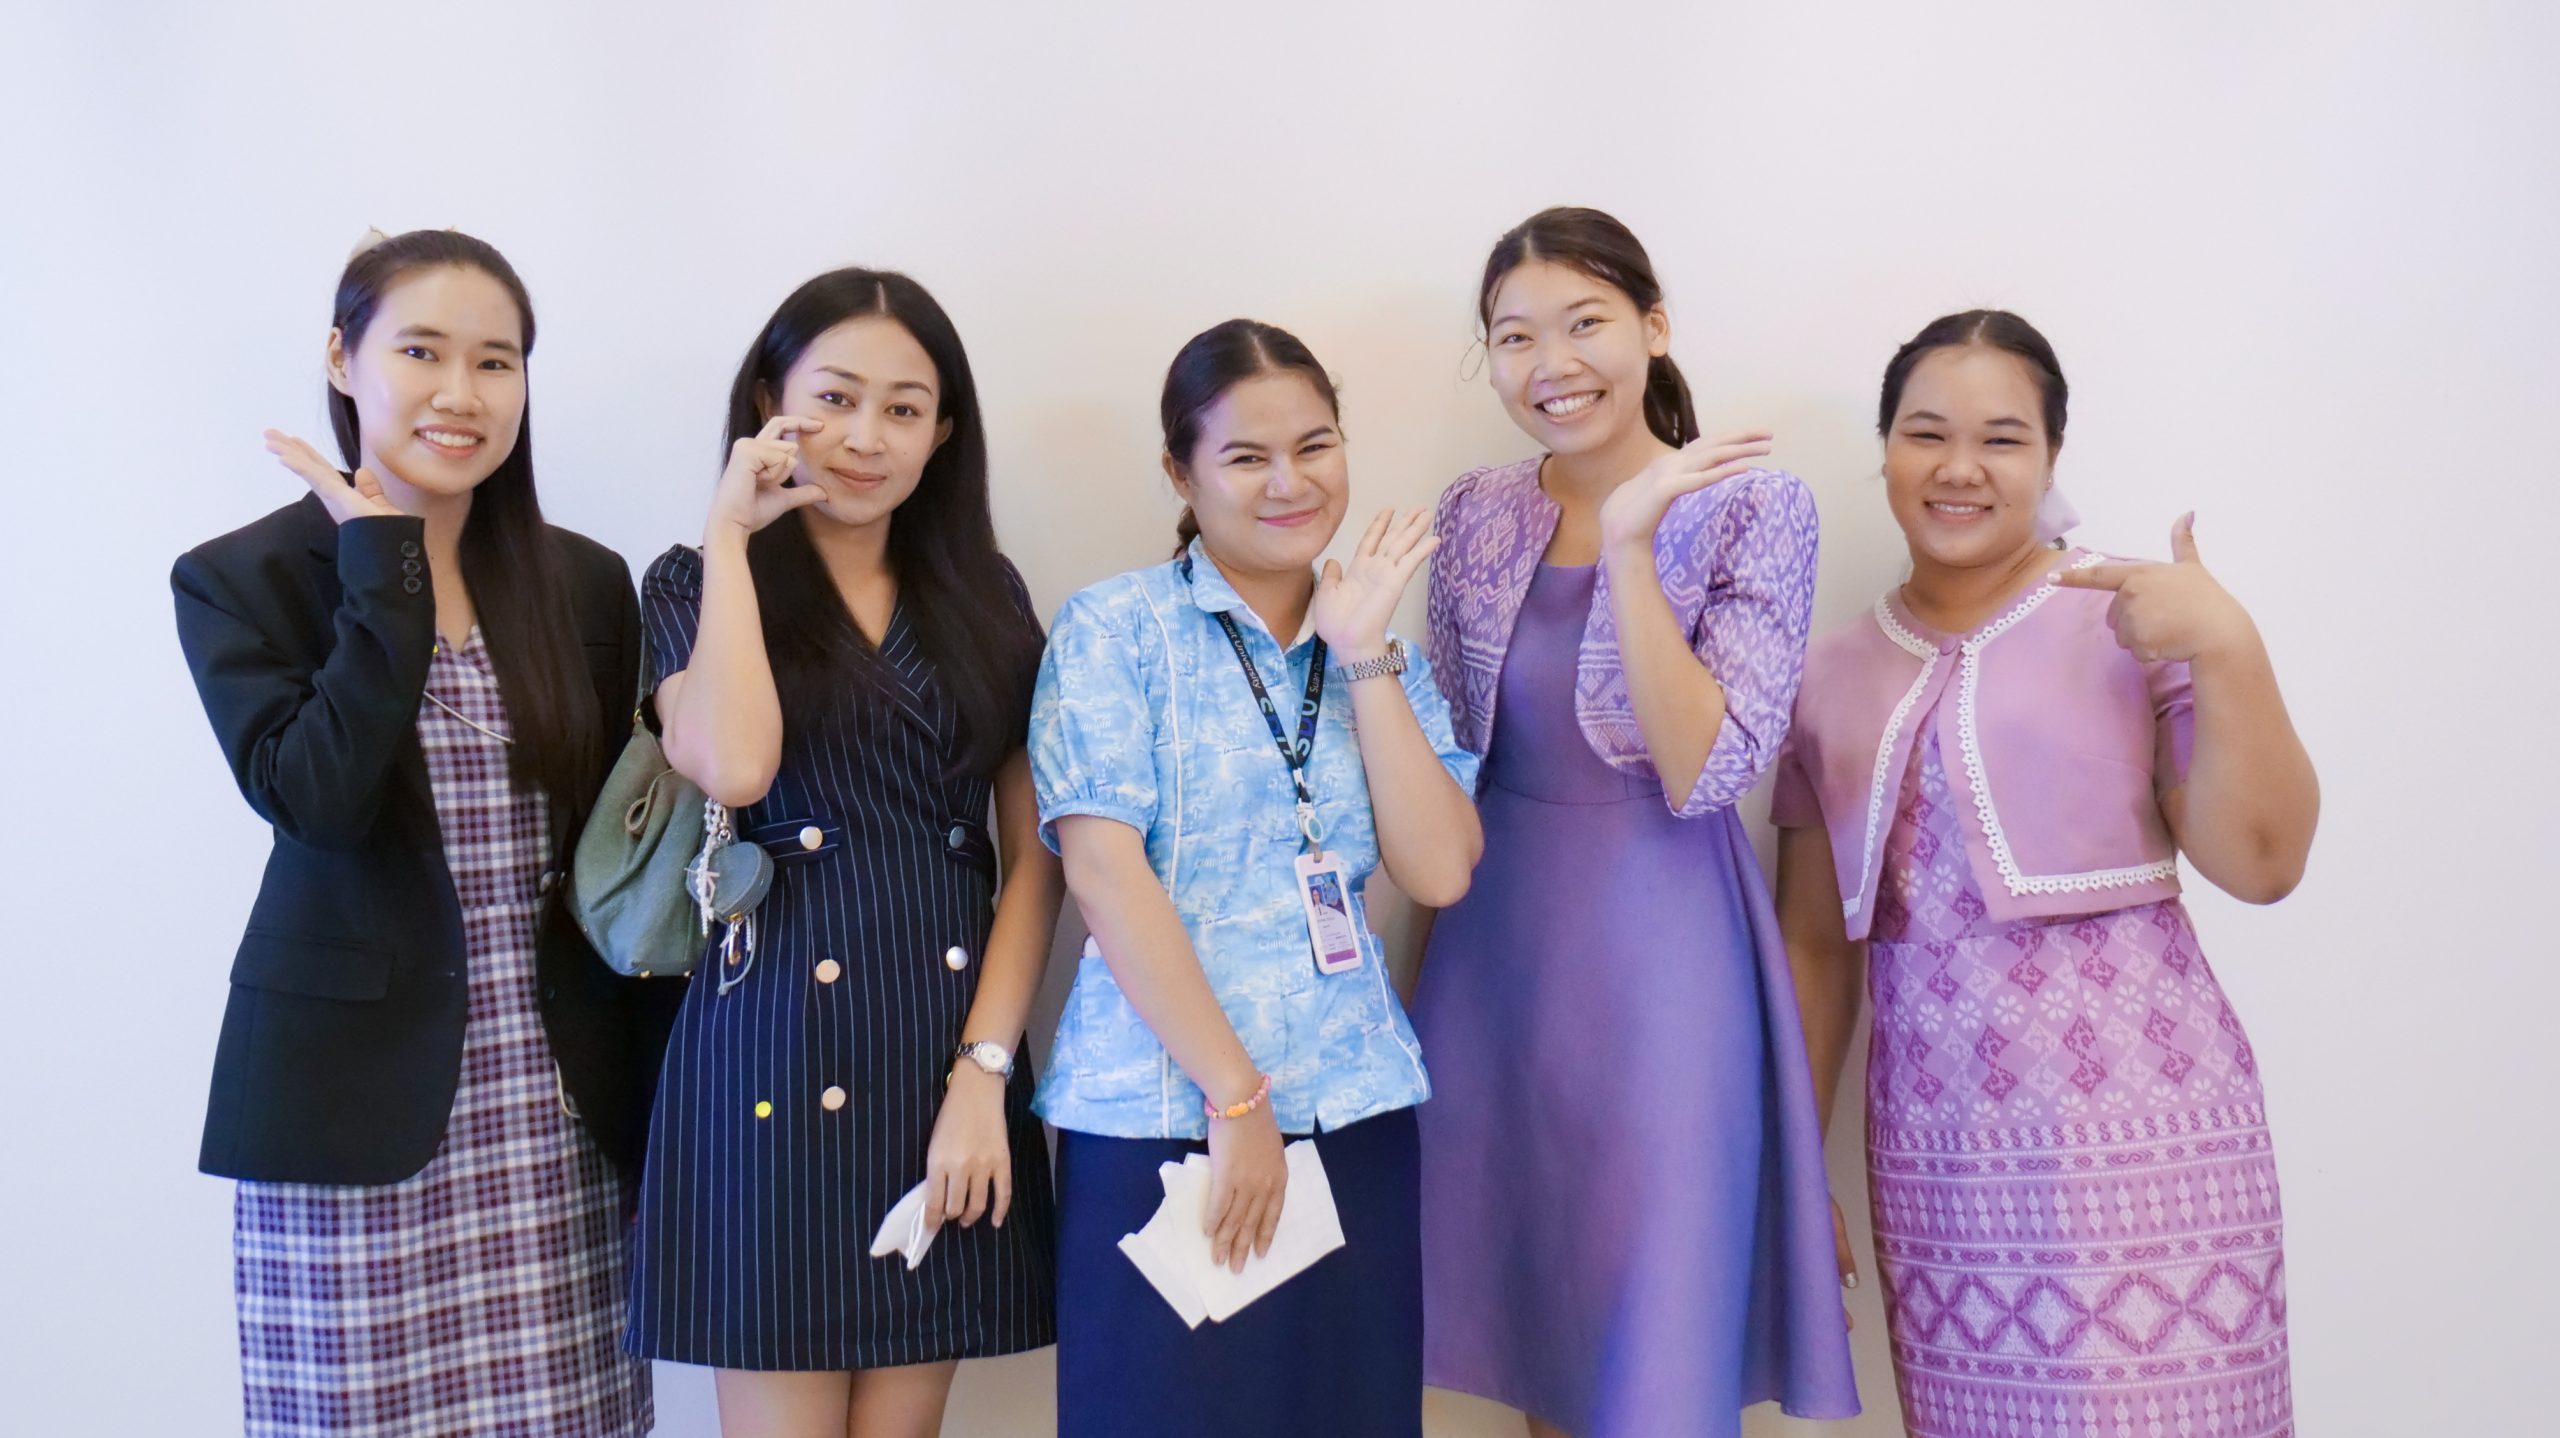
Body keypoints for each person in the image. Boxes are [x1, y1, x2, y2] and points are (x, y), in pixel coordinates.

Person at [1776, 309, 2314, 1438]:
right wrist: (1790, 1164)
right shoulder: (1825, 674)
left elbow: (2263, 865)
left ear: (2052, 456)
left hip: (2152, 1138)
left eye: (2002, 438)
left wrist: (2228, 644)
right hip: (1943, 1159)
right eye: (1926, 433)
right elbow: (1814, 950)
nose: (1959, 467)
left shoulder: (2129, 618)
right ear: (1885, 449)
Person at [173, 227, 671, 1434]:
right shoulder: (240, 579)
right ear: (341, 360)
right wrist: (381, 561)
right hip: (353, 1103)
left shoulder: (583, 582)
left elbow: (618, 846)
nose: (461, 393)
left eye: (496, 362)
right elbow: (318, 800)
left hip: (557, 1101)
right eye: (422, 352)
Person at [1415, 205, 1859, 1438]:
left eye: (1584, 324)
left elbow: (1706, 767)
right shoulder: (1472, 510)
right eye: (1514, 337)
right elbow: (1449, 762)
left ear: (1653, 329)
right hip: (1493, 952)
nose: (1549, 364)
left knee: (1652, 1334)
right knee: (1541, 1325)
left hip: (1666, 950)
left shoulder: (1754, 504)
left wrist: (1625, 546)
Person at [623, 268, 1062, 1437]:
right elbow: (735, 766)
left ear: (943, 432)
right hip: (769, 1049)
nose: (867, 437)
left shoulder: (983, 590)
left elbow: (1035, 858)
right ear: (769, 400)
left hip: (942, 1054)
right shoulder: (690, 579)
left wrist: (984, 1074)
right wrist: (730, 533)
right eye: (834, 397)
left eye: (904, 408)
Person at [1031, 319, 1483, 1438]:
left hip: (1354, 1108)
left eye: (1315, 446)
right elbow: (1103, 872)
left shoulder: (1384, 654)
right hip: (1161, 1114)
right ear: (1181, 473)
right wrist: (1237, 1100)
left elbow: (1439, 869)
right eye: (1246, 457)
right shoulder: (1114, 629)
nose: (1290, 482)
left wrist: (1365, 652)